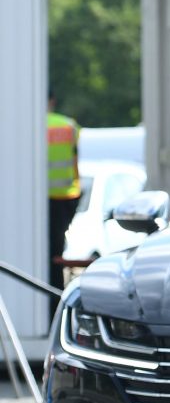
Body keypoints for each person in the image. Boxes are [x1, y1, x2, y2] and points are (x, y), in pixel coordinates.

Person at [46, 89, 82, 297]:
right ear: (53, 101)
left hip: (38, 199)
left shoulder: (28, 123)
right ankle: (55, 301)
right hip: (64, 197)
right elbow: (76, 161)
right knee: (56, 257)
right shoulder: (69, 126)